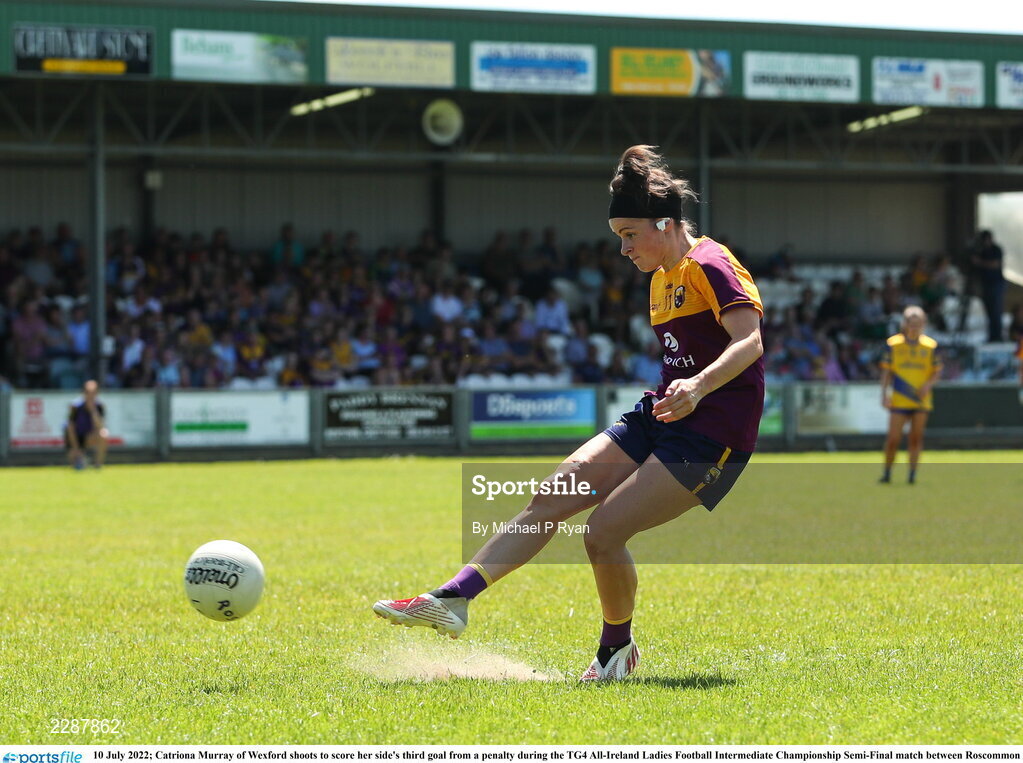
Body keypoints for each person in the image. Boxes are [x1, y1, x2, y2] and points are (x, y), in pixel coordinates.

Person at [372, 145, 765, 682]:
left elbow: (749, 343)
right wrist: (682, 391)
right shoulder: (658, 279)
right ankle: (452, 598)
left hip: (712, 436)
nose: (623, 249)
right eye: (619, 237)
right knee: (551, 496)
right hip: (664, 414)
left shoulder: (712, 264)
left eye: (630, 235)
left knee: (602, 533)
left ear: (666, 224)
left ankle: (615, 653)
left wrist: (696, 386)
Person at [879, 306, 941, 485]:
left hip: (920, 400)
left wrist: (928, 385)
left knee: (916, 437)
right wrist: (884, 394)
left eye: (918, 324)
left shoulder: (930, 346)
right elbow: (886, 372)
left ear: (924, 324)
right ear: (904, 324)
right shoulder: (893, 344)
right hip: (899, 398)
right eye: (911, 323)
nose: (914, 327)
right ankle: (887, 472)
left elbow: (936, 371)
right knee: (893, 438)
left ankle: (912, 474)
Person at [65, 379, 109, 470]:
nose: (91, 396)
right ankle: (79, 456)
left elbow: (100, 426)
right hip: (76, 439)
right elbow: (70, 427)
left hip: (90, 437)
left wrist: (93, 411)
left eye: (93, 393)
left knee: (104, 434)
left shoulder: (99, 406)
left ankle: (98, 464)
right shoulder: (75, 406)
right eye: (88, 392)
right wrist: (76, 448)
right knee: (74, 464)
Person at [971, 231, 1005, 342]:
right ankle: (992, 336)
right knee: (989, 311)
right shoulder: (982, 251)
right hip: (986, 284)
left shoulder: (996, 250)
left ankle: (998, 336)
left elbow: (995, 264)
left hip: (996, 284)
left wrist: (979, 262)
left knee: (996, 310)